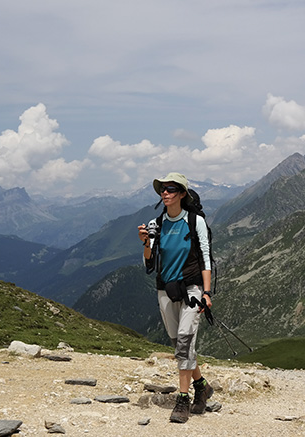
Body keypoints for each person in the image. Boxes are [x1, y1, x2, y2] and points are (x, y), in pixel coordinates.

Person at [138, 172, 214, 423]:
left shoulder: (194, 222)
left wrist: (206, 292)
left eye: (171, 189)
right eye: (163, 189)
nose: (165, 193)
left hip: (192, 289)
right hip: (165, 289)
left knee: (184, 343)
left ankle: (183, 400)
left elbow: (205, 256)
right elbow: (149, 262)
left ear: (182, 194)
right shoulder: (155, 224)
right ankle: (202, 385)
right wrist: (146, 243)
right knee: (178, 344)